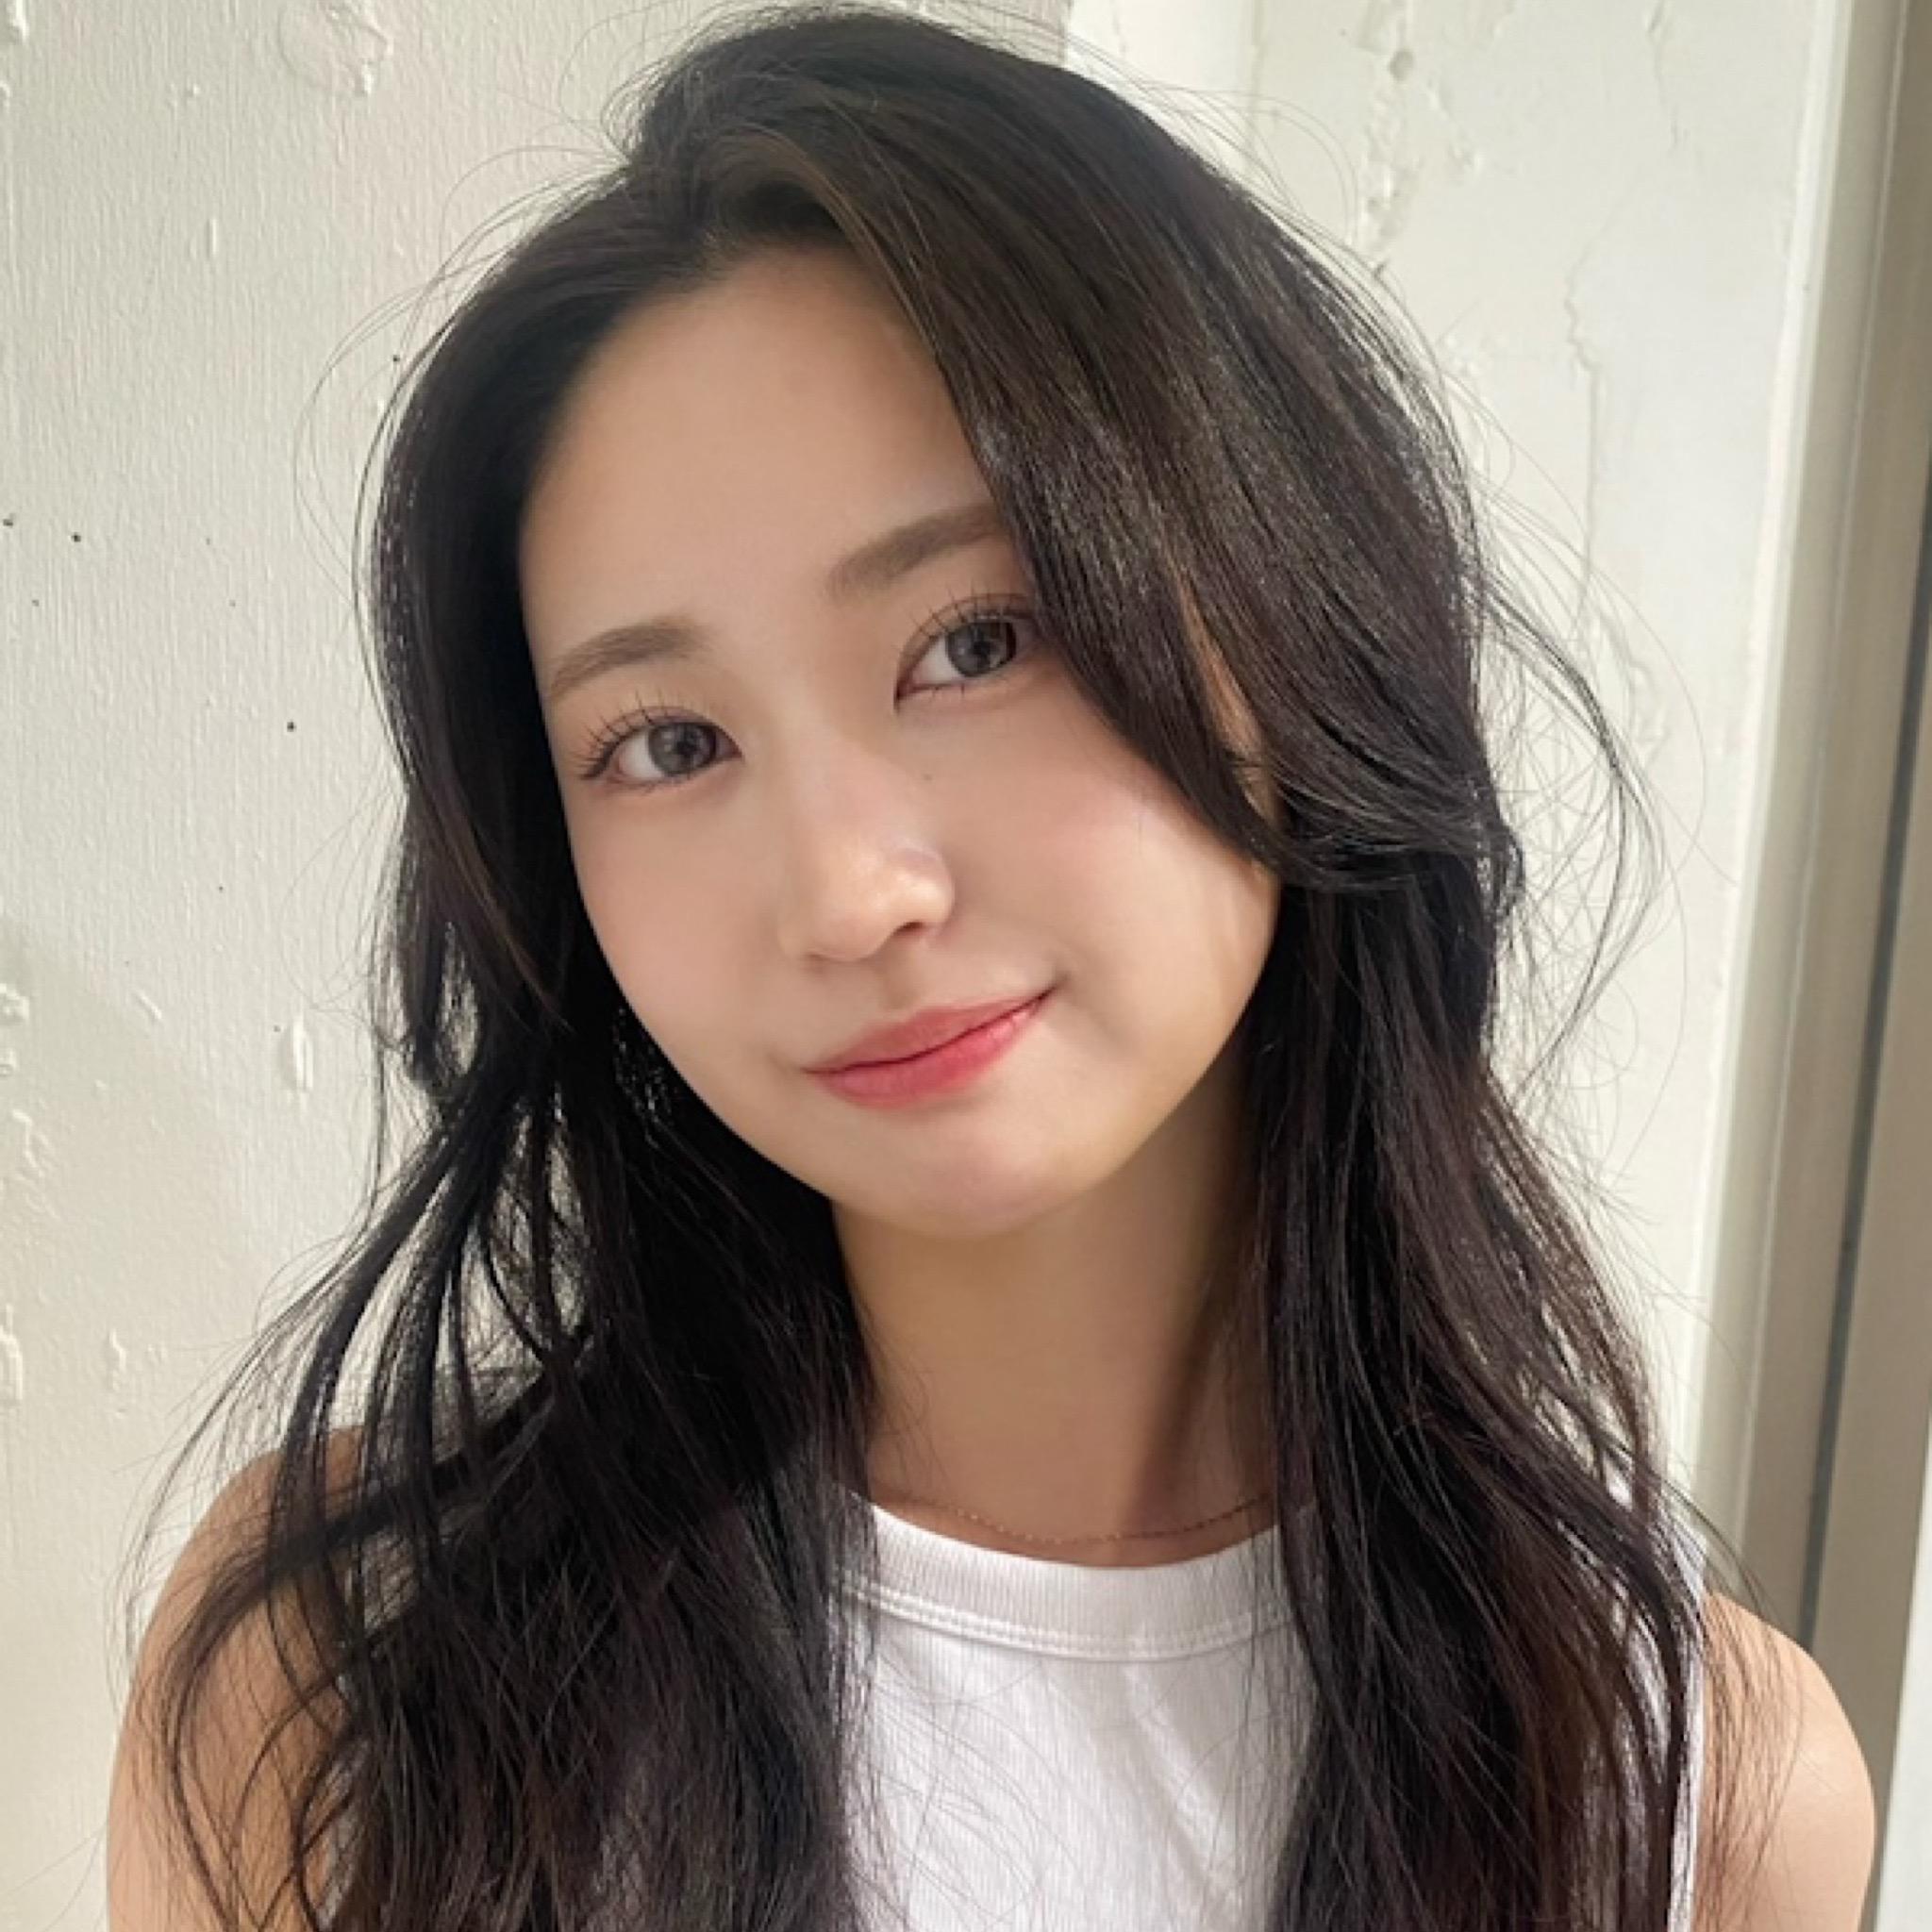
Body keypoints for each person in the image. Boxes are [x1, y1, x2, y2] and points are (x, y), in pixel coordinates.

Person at [106, 6, 1876, 1928]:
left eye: (975, 641)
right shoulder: (350, 1670)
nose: (845, 891)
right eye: (669, 742)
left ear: (1296, 612)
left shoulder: (1687, 1780)